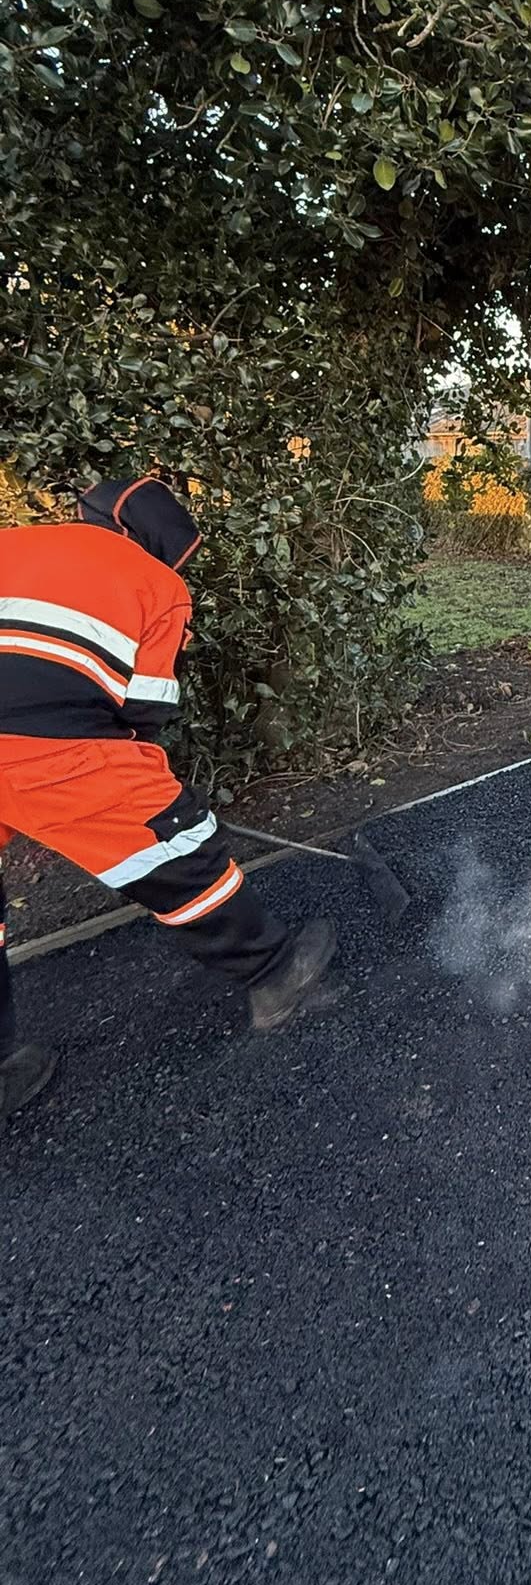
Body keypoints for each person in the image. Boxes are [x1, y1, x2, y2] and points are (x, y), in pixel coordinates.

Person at [0, 476, 336, 1123]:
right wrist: (164, 802)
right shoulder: (158, 585)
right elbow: (144, 711)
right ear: (158, 544)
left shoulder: (12, 542)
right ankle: (274, 974)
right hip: (46, 743)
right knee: (177, 849)